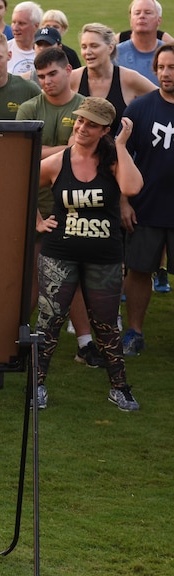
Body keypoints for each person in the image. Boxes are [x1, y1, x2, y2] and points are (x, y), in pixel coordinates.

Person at [34, 97, 143, 411]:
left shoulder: (112, 162)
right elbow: (22, 184)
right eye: (80, 121)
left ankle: (119, 387)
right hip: (58, 254)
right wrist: (38, 220)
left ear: (104, 131)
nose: (82, 127)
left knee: (107, 323)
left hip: (104, 257)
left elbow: (133, 187)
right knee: (49, 321)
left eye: (91, 124)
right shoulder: (59, 161)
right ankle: (37, 385)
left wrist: (121, 145)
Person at [17, 47, 98, 366]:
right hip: (36, 206)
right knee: (33, 279)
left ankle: (86, 343)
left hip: (77, 209)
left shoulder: (85, 108)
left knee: (74, 278)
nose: (47, 81)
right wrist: (70, 148)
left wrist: (47, 151)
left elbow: (90, 155)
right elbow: (24, 153)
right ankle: (19, 341)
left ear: (68, 70)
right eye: (41, 77)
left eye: (53, 74)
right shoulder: (28, 108)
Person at [120, 44, 174, 357]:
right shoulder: (140, 109)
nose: (167, 74)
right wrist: (124, 202)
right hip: (146, 208)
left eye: (172, 67)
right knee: (139, 270)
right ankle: (135, 332)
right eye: (162, 67)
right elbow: (119, 156)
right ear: (154, 69)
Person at [70, 23, 157, 127]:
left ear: (110, 48)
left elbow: (164, 98)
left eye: (94, 46)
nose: (87, 52)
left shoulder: (129, 79)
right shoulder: (72, 78)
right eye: (84, 47)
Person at [117, 0, 166, 87]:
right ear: (131, 20)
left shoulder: (169, 54)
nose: (142, 16)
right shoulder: (115, 55)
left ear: (159, 20)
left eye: (148, 13)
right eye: (137, 13)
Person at [7, 1, 41, 75]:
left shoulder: (46, 51)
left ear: (36, 26)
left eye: (21, 23)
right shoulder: (4, 50)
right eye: (13, 22)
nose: (15, 28)